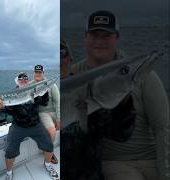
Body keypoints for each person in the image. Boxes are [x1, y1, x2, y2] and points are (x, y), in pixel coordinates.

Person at [69, 10, 169, 180]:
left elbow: (163, 127)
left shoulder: (143, 75)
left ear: (117, 37)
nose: (99, 41)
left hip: (152, 157)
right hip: (115, 163)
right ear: (85, 37)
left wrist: (166, 173)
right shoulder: (73, 75)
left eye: (106, 35)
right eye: (94, 35)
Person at [0, 72, 59, 180]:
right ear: (17, 82)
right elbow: (9, 111)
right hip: (18, 126)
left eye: (25, 79)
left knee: (49, 145)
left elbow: (44, 102)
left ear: (28, 81)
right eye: (20, 79)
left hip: (35, 125)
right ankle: (9, 173)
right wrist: (1, 107)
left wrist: (44, 91)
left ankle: (48, 165)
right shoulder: (12, 94)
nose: (23, 80)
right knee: (10, 151)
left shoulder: (34, 90)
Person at [33, 65, 60, 164]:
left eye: (40, 72)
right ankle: (49, 152)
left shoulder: (51, 84)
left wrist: (58, 118)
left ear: (43, 73)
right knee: (52, 131)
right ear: (34, 73)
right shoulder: (31, 85)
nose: (38, 74)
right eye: (36, 72)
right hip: (43, 112)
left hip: (53, 111)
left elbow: (57, 102)